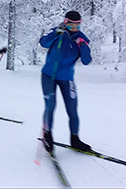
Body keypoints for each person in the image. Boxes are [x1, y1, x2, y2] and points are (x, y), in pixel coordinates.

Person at [39, 11, 92, 153]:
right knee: (50, 106)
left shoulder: (81, 38)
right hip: (48, 76)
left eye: (78, 25)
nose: (75, 28)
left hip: (67, 78)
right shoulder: (58, 32)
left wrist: (83, 46)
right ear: (65, 22)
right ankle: (47, 135)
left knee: (72, 109)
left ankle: (75, 139)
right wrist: (56, 33)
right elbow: (43, 43)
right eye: (71, 25)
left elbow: (87, 61)